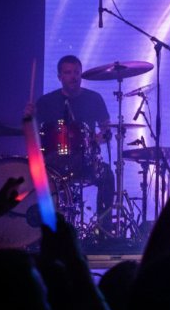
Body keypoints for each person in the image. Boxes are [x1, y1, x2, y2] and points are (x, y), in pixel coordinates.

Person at [27, 55, 115, 230]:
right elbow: (32, 135)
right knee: (35, 178)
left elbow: (107, 131)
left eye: (77, 72)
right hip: (53, 162)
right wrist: (28, 118)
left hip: (84, 160)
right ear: (60, 77)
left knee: (107, 175)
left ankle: (104, 230)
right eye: (68, 72)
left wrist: (95, 140)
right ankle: (42, 232)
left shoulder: (94, 98)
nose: (74, 76)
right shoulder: (46, 102)